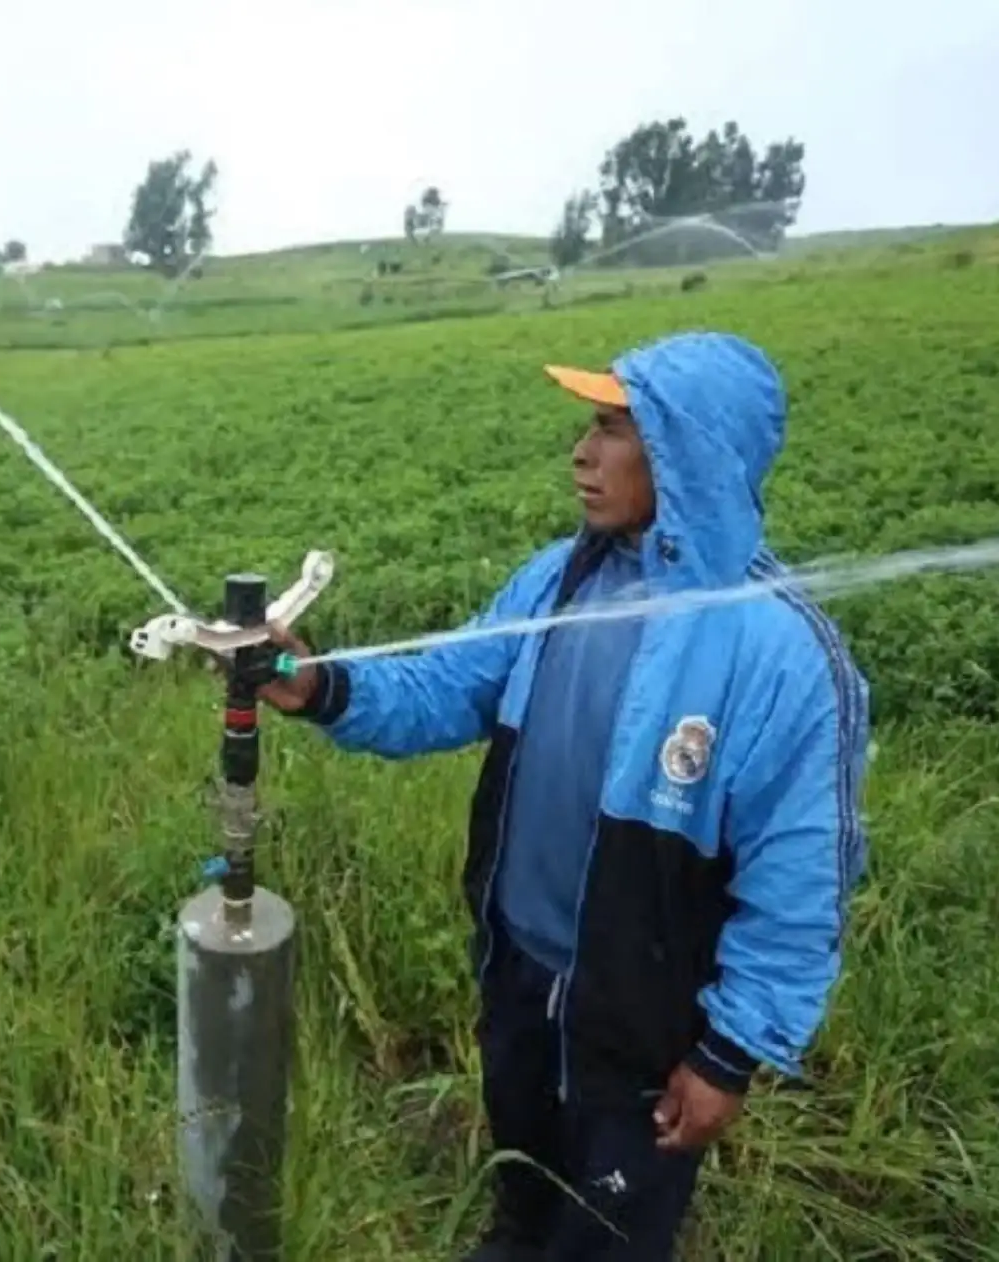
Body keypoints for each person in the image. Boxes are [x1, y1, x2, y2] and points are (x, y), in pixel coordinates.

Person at [260, 330, 871, 1260]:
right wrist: (321, 687)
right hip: (520, 973)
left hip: (642, 1027)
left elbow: (797, 889)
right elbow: (448, 685)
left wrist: (729, 1056)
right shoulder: (561, 577)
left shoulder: (783, 657)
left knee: (607, 1236)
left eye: (613, 430)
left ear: (689, 452)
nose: (581, 454)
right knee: (526, 1186)